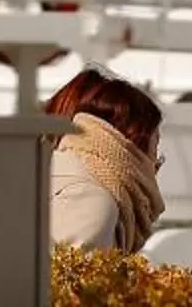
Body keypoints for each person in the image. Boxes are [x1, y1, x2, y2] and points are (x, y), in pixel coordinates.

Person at [43, 67, 164, 254]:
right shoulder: (91, 202)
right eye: (154, 152)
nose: (155, 169)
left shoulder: (54, 179)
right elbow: (77, 281)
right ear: (129, 148)